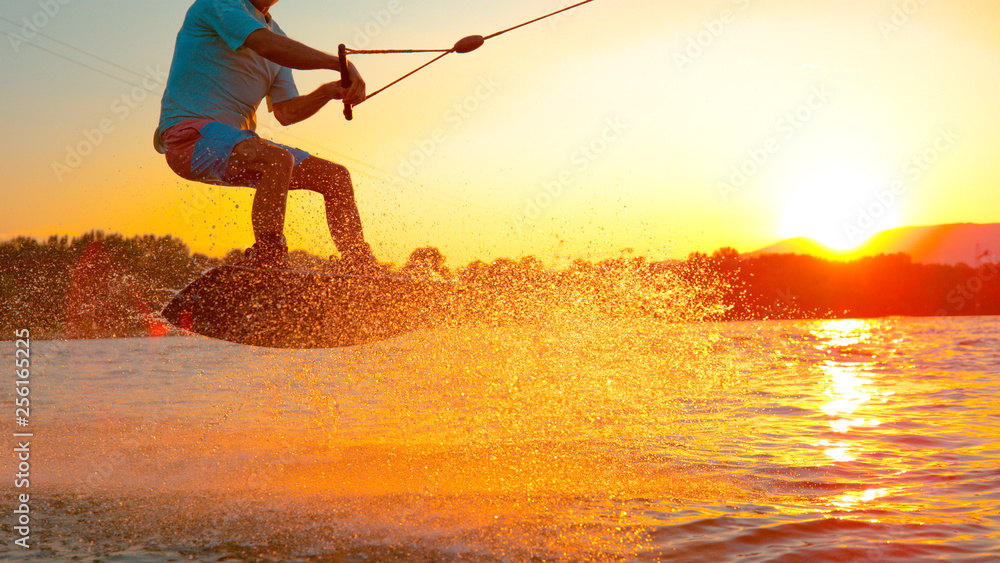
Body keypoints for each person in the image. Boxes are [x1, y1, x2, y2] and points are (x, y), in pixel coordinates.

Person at [154, 0, 378, 272]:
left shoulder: (278, 37)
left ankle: (359, 265)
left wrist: (328, 92)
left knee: (335, 178)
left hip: (236, 144)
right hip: (188, 137)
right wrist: (339, 64)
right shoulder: (218, 4)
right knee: (277, 159)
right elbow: (266, 46)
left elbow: (287, 112)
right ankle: (268, 258)